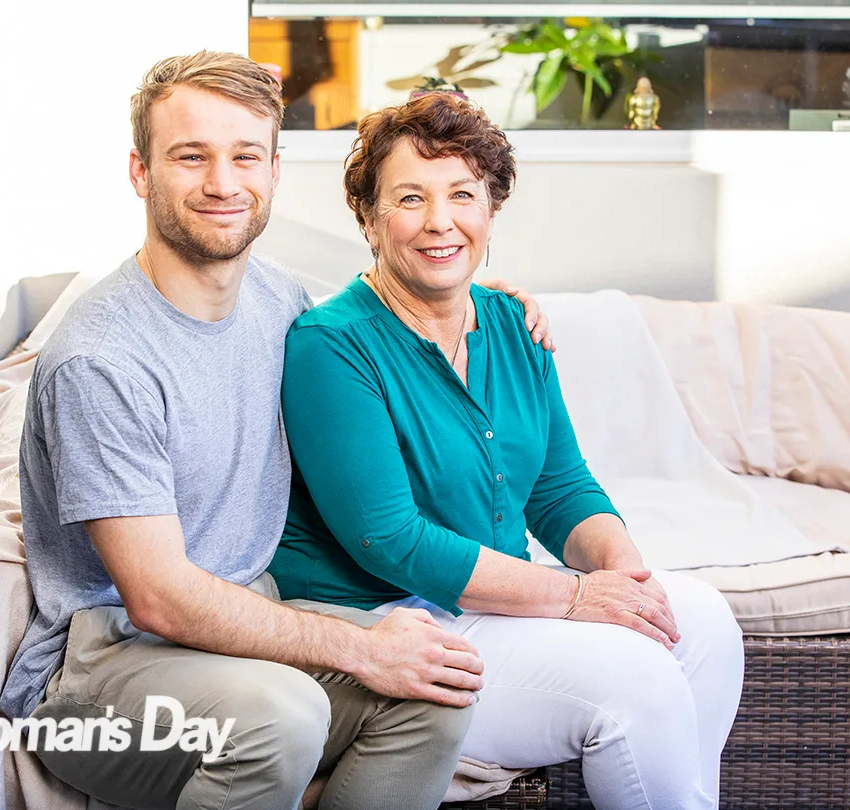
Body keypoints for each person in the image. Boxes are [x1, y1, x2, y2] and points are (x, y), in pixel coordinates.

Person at [0, 52, 552, 810]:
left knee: (434, 685)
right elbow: (158, 598)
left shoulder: (275, 299)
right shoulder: (103, 359)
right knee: (279, 719)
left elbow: (380, 307)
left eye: (245, 156)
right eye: (191, 156)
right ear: (139, 172)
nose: (223, 183)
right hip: (105, 663)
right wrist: (362, 647)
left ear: (274, 171)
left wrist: (473, 295)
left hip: (245, 616)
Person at [270, 93, 745, 810]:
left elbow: (559, 488)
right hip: (395, 626)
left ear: (490, 210)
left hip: (496, 602)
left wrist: (624, 580)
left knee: (703, 622)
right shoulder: (332, 347)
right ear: (368, 218)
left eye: (463, 194)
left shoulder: (513, 325)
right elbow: (391, 541)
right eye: (409, 198)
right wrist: (579, 597)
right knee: (637, 688)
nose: (440, 221)